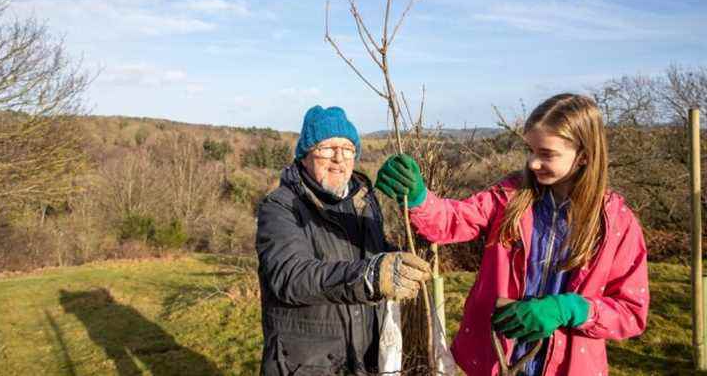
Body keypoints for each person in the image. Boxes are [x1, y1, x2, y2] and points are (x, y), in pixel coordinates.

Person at [375, 94, 649, 375]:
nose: (532, 163)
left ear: (583, 156)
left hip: (568, 367)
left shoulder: (616, 224)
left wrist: (570, 308)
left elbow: (631, 312)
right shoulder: (511, 197)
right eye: (529, 150)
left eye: (547, 154)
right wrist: (420, 198)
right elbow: (453, 221)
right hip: (497, 360)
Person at [256, 105, 431, 375]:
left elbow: (374, 252)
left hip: (365, 358)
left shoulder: (363, 201)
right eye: (327, 147)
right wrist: (370, 277)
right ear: (304, 156)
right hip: (307, 364)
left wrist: (408, 254)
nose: (339, 157)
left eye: (348, 148)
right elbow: (290, 276)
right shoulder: (280, 206)